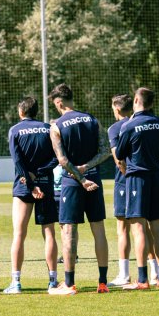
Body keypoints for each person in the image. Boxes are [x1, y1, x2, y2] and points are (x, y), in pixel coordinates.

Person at [113, 87, 159, 290]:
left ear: (136, 100)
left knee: (138, 228)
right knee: (157, 228)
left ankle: (142, 279)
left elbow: (120, 153)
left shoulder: (129, 125)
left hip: (136, 180)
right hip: (156, 178)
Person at [46, 83, 112, 294]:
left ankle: (69, 283)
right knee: (98, 229)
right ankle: (103, 282)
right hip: (94, 178)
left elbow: (63, 161)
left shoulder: (56, 126)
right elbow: (106, 152)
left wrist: (81, 178)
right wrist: (88, 168)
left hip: (73, 182)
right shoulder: (92, 120)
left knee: (69, 231)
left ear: (59, 102)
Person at [6, 96, 59, 294]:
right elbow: (57, 158)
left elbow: (18, 161)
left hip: (23, 187)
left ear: (21, 112)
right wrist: (39, 175)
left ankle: (16, 282)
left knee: (19, 234)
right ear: (36, 112)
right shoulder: (48, 129)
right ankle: (52, 280)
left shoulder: (15, 130)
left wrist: (29, 182)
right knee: (49, 233)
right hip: (45, 184)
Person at [107, 94, 134, 286]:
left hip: (126, 182)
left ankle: (124, 274)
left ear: (117, 109)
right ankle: (155, 273)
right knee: (144, 226)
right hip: (144, 179)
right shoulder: (139, 122)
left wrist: (128, 176)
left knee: (122, 228)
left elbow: (119, 160)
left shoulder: (115, 128)